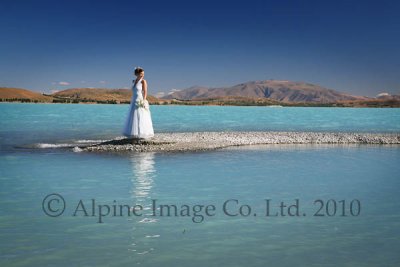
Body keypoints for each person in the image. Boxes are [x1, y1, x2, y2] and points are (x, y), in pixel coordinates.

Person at [122, 67, 154, 142]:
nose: (143, 75)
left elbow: (145, 91)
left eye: (143, 73)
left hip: (140, 99)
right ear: (137, 74)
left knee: (141, 115)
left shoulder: (143, 81)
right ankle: (133, 133)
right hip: (134, 100)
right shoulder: (134, 81)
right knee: (134, 116)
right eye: (141, 73)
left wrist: (144, 100)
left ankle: (142, 133)